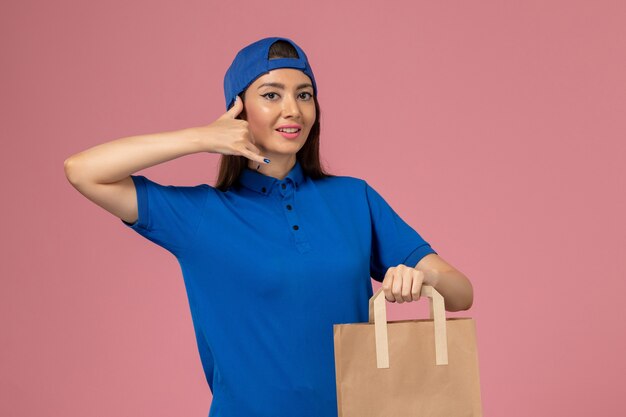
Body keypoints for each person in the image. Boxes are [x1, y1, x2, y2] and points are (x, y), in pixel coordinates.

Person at [64, 36, 473, 417]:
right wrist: (201, 137)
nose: (292, 109)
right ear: (237, 109)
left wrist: (419, 278)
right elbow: (83, 171)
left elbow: (460, 293)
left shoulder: (353, 199)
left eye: (304, 95)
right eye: (271, 95)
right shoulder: (202, 215)